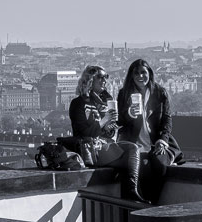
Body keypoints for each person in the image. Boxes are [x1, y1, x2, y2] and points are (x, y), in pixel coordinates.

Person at [69, 65, 149, 203]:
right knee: (131, 151)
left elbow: (112, 128)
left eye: (106, 77)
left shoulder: (105, 102)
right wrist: (104, 120)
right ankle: (131, 193)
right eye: (100, 77)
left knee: (137, 156)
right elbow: (83, 132)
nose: (104, 80)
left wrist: (128, 114)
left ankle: (132, 194)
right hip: (90, 150)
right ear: (90, 80)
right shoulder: (78, 103)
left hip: (105, 146)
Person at [117, 59, 182, 203]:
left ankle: (152, 202)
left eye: (143, 72)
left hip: (156, 141)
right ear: (131, 76)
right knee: (143, 168)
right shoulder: (124, 94)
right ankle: (143, 204)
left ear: (150, 74)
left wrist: (163, 140)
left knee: (160, 164)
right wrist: (129, 114)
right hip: (134, 144)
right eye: (136, 73)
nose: (140, 76)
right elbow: (119, 121)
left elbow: (167, 119)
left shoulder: (160, 93)